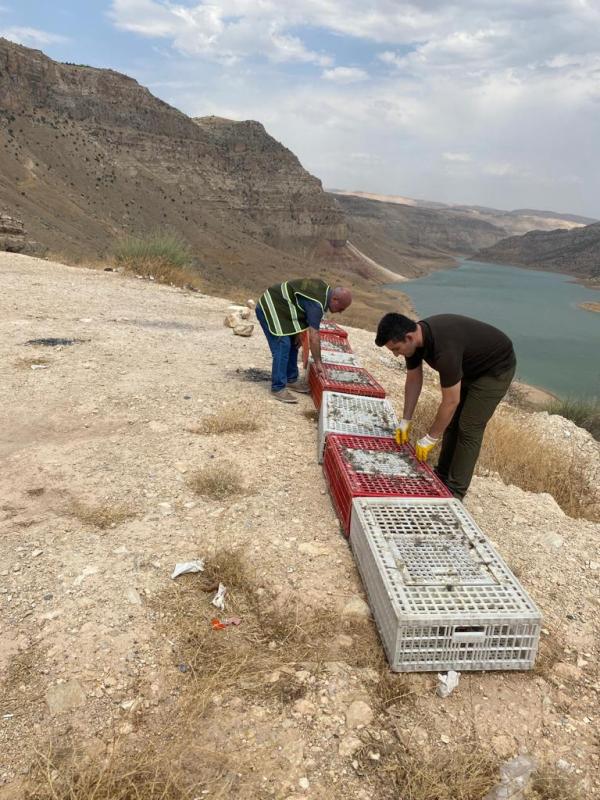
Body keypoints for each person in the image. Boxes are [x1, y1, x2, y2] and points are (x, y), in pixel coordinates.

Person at [375, 312, 516, 500]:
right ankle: (442, 475)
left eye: (396, 348)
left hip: (494, 370)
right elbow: (414, 380)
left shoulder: (445, 349)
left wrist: (430, 439)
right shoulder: (415, 342)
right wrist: (405, 420)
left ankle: (455, 491)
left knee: (468, 426)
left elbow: (451, 401)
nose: (396, 354)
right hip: (469, 366)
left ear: (408, 337)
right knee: (451, 423)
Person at [256, 279, 352, 403]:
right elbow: (314, 336)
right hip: (269, 307)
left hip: (283, 310)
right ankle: (278, 387)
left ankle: (291, 379)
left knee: (294, 342)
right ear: (334, 299)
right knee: (283, 344)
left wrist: (298, 332)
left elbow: (299, 306)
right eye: (341, 308)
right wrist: (318, 362)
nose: (340, 312)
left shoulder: (324, 291)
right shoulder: (317, 304)